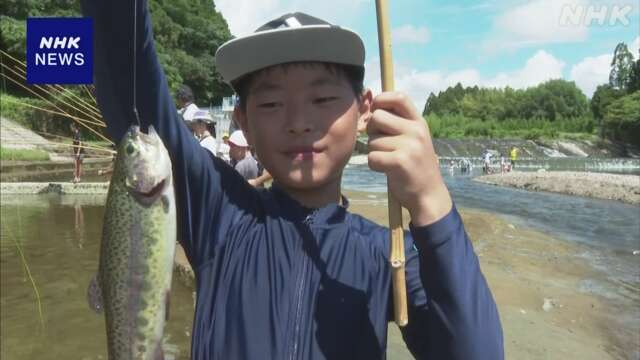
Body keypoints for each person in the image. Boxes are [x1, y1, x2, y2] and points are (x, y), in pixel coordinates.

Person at [83, 1, 503, 359]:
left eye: (322, 99)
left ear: (364, 111)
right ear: (242, 120)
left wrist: (431, 201)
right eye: (270, 103)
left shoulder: (390, 253)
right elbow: (129, 82)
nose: (299, 123)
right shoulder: (218, 214)